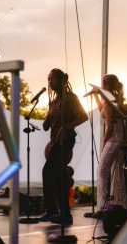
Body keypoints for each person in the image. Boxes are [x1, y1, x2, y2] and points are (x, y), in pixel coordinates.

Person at [39, 68, 88, 225]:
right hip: (55, 142)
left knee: (48, 171)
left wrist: (66, 126)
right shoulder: (53, 102)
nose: (50, 82)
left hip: (66, 140)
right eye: (48, 79)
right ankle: (64, 214)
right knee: (59, 177)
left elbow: (84, 116)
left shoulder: (71, 98)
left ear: (61, 80)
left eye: (52, 79)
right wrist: (49, 115)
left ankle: (53, 211)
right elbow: (45, 127)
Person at [92, 74, 127, 218]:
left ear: (105, 84)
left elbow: (109, 126)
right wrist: (97, 96)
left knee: (102, 171)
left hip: (113, 140)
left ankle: (102, 207)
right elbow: (104, 110)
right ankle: (121, 204)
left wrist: (103, 142)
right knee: (117, 172)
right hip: (120, 140)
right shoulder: (114, 98)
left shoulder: (109, 100)